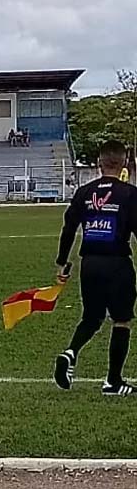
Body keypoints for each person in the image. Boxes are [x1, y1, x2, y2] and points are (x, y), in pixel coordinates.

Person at [54, 140, 137, 396]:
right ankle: (113, 381)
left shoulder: (84, 192)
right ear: (123, 163)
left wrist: (62, 262)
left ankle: (70, 352)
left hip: (89, 264)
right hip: (117, 264)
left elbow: (69, 229)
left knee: (91, 318)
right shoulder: (130, 194)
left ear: (99, 163)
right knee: (121, 320)